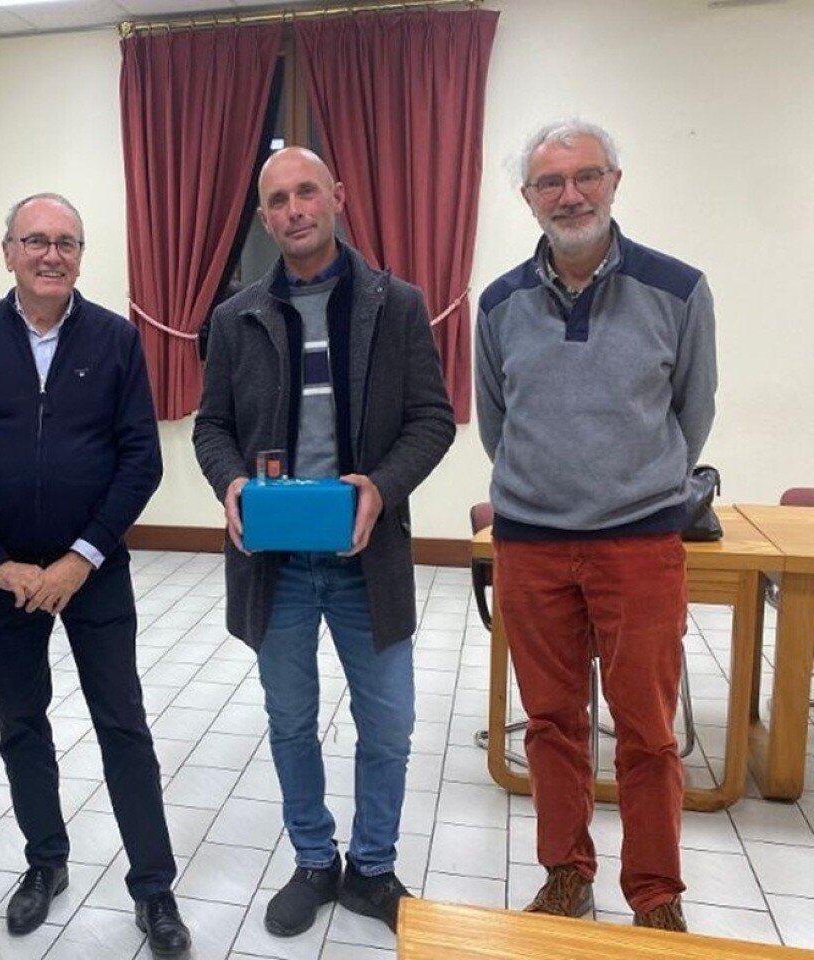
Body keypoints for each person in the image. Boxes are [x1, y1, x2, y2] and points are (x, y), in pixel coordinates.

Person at [193, 147, 455, 937]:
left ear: (336, 198)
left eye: (307, 192)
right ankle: (314, 859)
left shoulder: (395, 303)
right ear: (266, 217)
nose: (294, 209)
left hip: (364, 560)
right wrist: (231, 482)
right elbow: (211, 428)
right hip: (275, 564)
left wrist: (381, 485)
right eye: (278, 200)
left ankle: (372, 869)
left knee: (389, 723)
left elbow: (432, 420)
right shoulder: (235, 315)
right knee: (290, 719)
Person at [0, 193, 191, 958]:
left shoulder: (114, 340)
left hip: (95, 572)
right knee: (21, 725)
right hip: (2, 575)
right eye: (36, 240)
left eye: (67, 243)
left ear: (83, 255)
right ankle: (45, 862)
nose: (52, 254)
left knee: (123, 725)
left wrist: (82, 557)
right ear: (7, 250)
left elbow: (141, 458)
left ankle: (154, 889)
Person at [475, 119, 717, 933]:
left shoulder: (678, 290)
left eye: (586, 177)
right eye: (551, 183)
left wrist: (631, 487)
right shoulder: (500, 303)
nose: (569, 195)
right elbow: (495, 423)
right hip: (531, 543)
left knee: (647, 730)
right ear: (528, 198)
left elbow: (692, 410)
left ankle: (656, 896)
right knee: (550, 722)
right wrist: (545, 492)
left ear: (616, 181)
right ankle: (566, 874)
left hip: (639, 543)